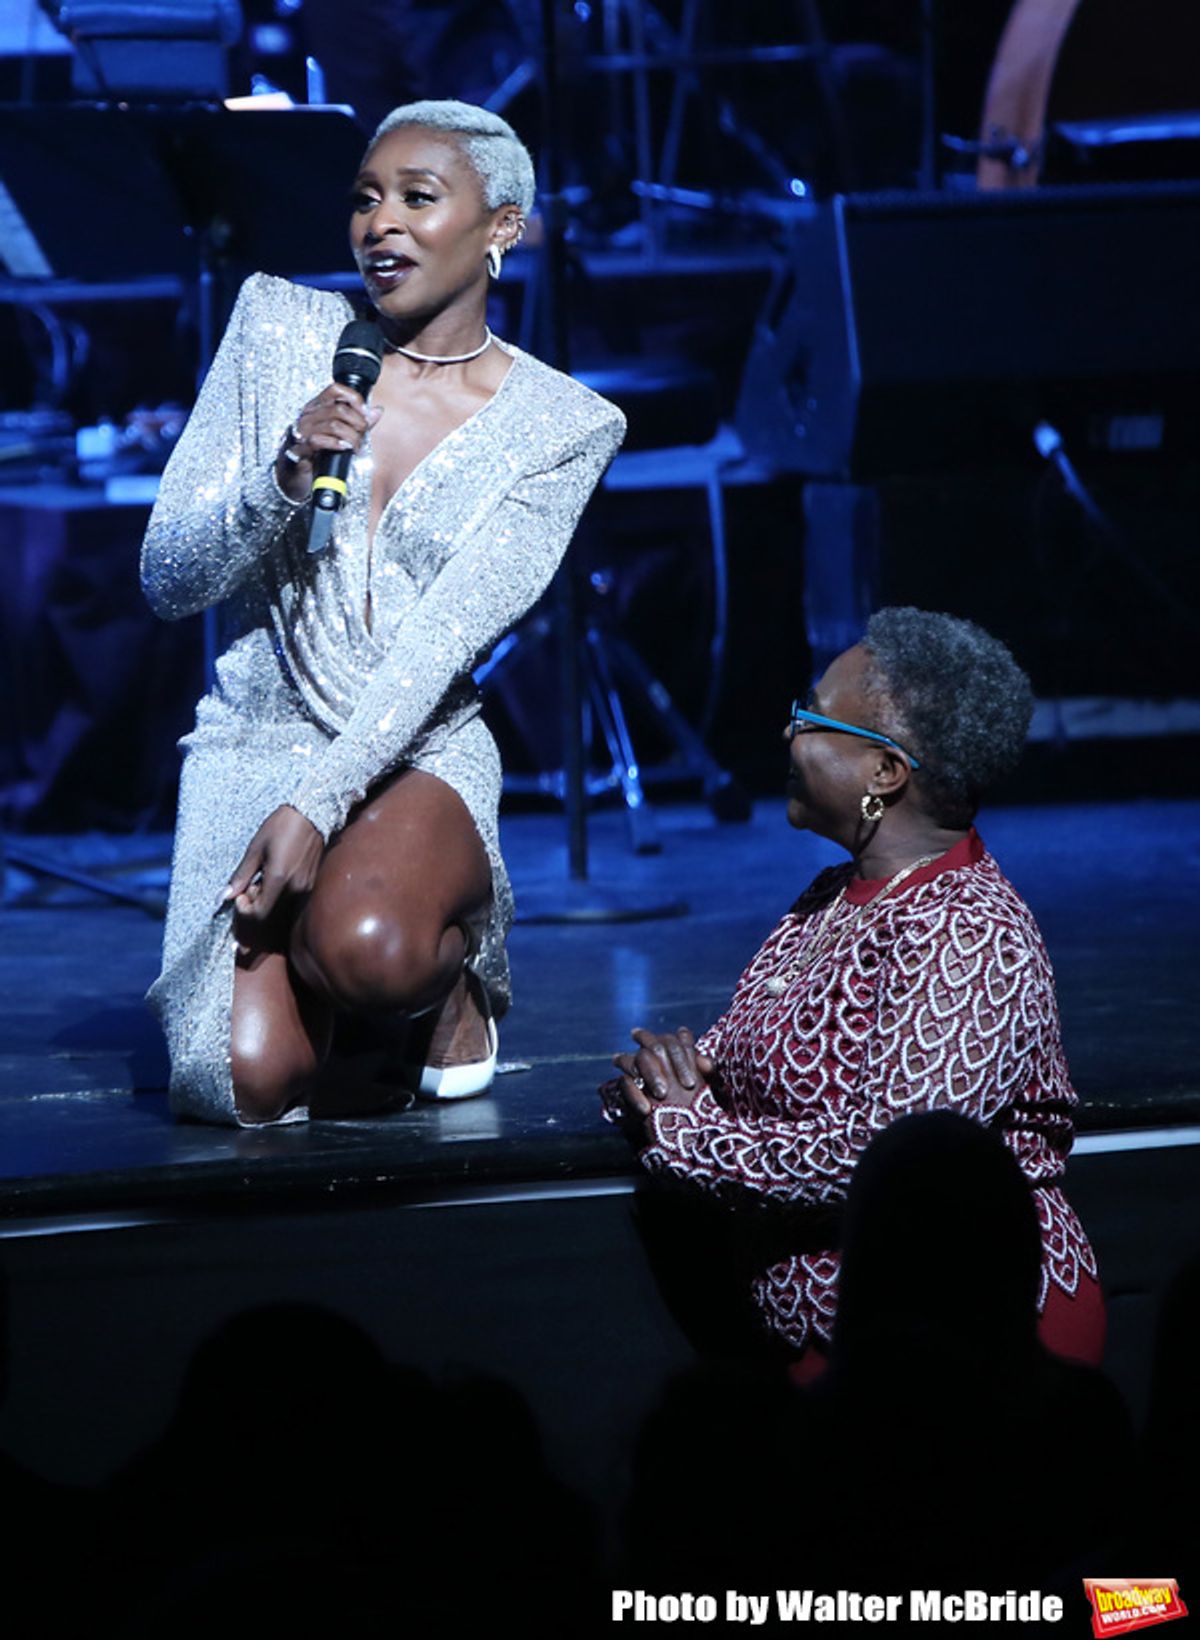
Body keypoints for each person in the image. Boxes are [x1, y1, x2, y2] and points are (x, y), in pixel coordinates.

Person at [142, 100, 625, 1125]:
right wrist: (281, 472)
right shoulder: (279, 328)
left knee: (368, 950)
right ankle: (343, 980)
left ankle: (447, 975)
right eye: (365, 199)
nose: (380, 224)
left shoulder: (563, 425)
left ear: (502, 225)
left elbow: (446, 637)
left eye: (417, 197)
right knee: (240, 1083)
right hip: (255, 733)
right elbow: (168, 578)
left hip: (410, 740)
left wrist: (317, 808)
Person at [602, 607, 1103, 1376]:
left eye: (810, 717)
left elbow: (887, 1160)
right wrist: (661, 1082)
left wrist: (687, 1137)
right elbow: (748, 1071)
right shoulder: (833, 896)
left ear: (885, 773)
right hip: (842, 1339)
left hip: (959, 1346)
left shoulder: (969, 930)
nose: (787, 733)